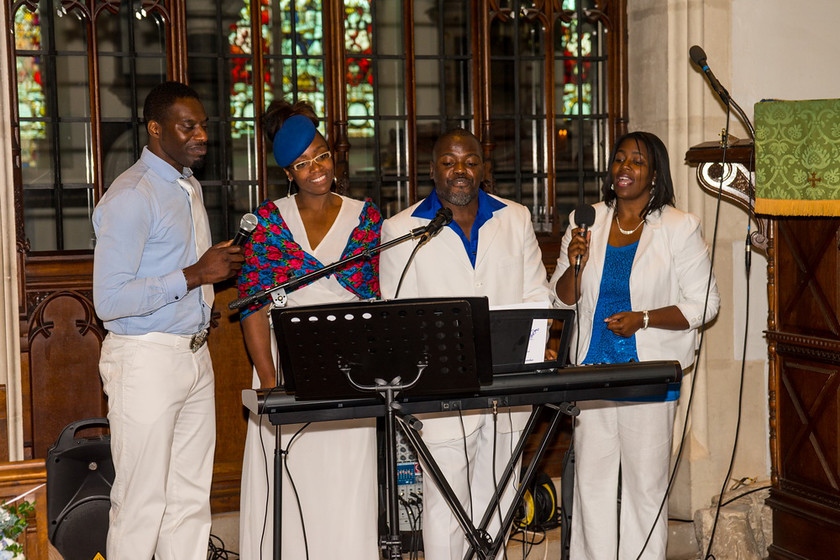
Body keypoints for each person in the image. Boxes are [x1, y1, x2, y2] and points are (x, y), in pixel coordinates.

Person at [379, 128, 552, 560]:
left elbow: (537, 296)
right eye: (449, 162)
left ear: (483, 168)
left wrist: (530, 359)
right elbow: (396, 314)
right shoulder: (402, 229)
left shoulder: (514, 217)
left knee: (500, 496)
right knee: (445, 505)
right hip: (441, 389)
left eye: (470, 161)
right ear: (433, 169)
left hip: (508, 383)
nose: (460, 170)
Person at [551, 131, 720, 559]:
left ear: (655, 173)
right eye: (619, 159)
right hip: (593, 370)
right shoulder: (585, 221)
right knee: (592, 484)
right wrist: (577, 261)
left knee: (646, 487)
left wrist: (644, 319)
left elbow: (705, 304)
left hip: (647, 372)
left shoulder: (679, 227)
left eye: (637, 162)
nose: (624, 168)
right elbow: (561, 298)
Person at [92, 81, 244, 560]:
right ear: (156, 129)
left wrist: (209, 269)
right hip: (146, 359)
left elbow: (175, 268)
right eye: (189, 126)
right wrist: (198, 272)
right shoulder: (133, 195)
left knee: (189, 500)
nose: (202, 134)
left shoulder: (186, 184)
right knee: (141, 502)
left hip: (194, 355)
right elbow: (109, 300)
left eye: (203, 125)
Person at [236, 99, 381, 559]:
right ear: (288, 173)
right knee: (289, 482)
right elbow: (253, 307)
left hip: (352, 366)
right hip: (286, 364)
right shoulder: (267, 222)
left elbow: (375, 301)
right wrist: (269, 381)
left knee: (345, 485)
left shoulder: (366, 217)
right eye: (303, 164)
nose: (316, 168)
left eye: (321, 155)